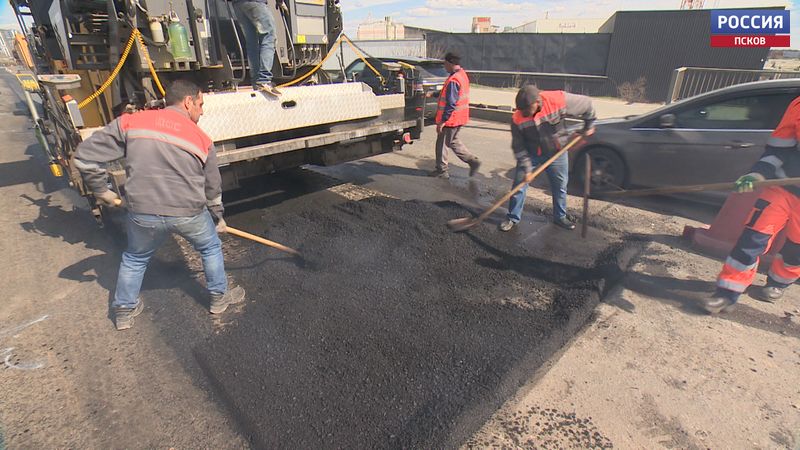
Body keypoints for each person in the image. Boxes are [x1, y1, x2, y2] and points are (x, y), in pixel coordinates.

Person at [74, 80, 245, 330]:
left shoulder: (131, 122)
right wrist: (217, 218)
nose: (202, 111)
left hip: (143, 213)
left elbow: (85, 157)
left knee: (134, 258)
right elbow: (212, 188)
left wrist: (103, 192)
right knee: (209, 247)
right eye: (200, 104)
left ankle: (124, 311)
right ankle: (219, 299)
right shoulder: (201, 139)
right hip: (189, 212)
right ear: (188, 102)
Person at [704, 96, 800, 314]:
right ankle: (727, 293)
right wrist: (758, 173)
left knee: (796, 250)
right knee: (752, 238)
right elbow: (778, 150)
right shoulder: (798, 105)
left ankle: (778, 284)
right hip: (782, 188)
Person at [499, 85, 595, 232]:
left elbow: (587, 104)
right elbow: (518, 146)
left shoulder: (558, 100)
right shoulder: (518, 117)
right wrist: (526, 168)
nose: (523, 113)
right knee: (519, 185)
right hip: (531, 154)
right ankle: (512, 217)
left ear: (537, 102)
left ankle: (560, 217)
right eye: (521, 109)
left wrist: (587, 127)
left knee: (560, 186)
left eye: (526, 109)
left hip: (556, 152)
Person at [429, 51, 480, 179]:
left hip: (451, 119)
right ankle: (472, 161)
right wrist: (435, 94)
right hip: (459, 117)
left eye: (445, 63)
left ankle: (442, 170)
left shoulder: (454, 79)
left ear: (450, 63)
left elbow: (451, 103)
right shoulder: (461, 75)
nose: (444, 66)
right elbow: (449, 94)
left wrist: (442, 121)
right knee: (453, 142)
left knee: (442, 144)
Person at [233, 0, 284, 95]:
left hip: (238, 4)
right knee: (269, 35)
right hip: (256, 2)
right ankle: (264, 80)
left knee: (252, 43)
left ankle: (256, 81)